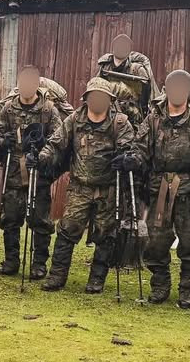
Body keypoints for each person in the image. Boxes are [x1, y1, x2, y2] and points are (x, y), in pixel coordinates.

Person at [130, 69, 190, 308]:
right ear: (167, 89)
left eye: (183, 87)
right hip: (159, 187)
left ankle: (187, 290)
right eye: (174, 86)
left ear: (189, 90)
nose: (178, 91)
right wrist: (134, 159)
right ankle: (160, 285)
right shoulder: (153, 118)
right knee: (156, 241)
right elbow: (141, 146)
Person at [37, 77, 134, 292]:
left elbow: (130, 147)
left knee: (105, 234)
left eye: (102, 97)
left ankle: (97, 279)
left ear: (110, 100)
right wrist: (44, 156)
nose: (97, 100)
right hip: (79, 188)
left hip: (108, 189)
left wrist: (126, 157)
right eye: (94, 96)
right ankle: (56, 276)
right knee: (67, 231)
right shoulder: (74, 120)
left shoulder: (120, 123)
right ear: (87, 98)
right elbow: (56, 143)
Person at [0, 65, 64, 279]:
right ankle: (11, 260)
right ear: (19, 84)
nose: (27, 87)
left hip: (38, 172)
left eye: (31, 82)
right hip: (13, 172)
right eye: (23, 82)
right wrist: (5, 142)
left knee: (40, 219)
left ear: (37, 84)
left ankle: (39, 263)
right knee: (11, 218)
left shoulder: (48, 110)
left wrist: (42, 150)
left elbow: (59, 141)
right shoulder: (8, 109)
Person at [97, 33, 158, 127]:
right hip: (107, 115)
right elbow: (96, 89)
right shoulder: (105, 66)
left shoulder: (137, 69)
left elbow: (146, 96)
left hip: (132, 116)